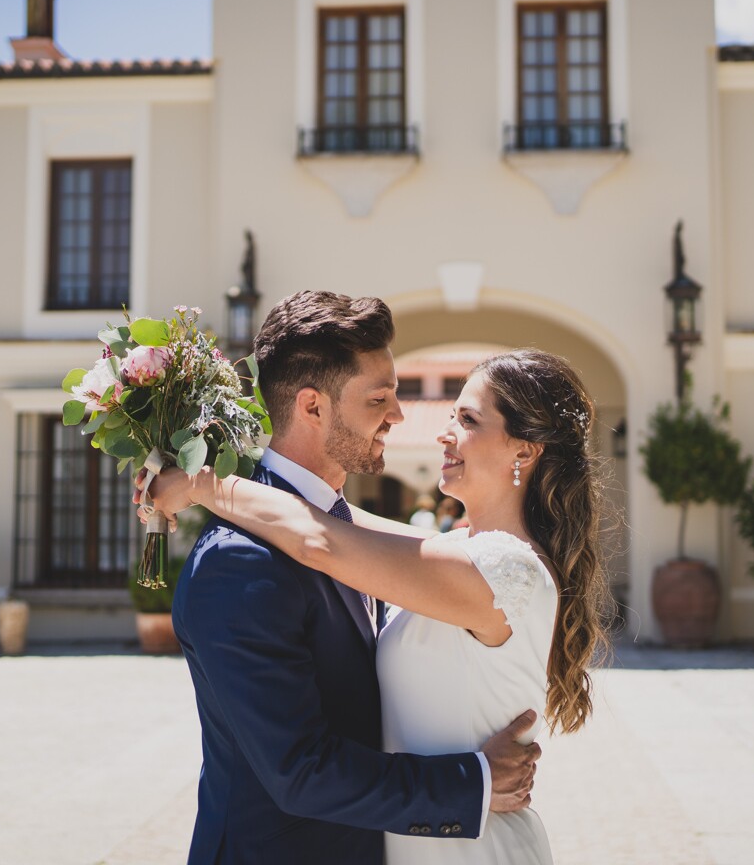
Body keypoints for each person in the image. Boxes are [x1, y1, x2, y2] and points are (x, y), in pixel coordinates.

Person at [149, 346, 610, 865]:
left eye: (468, 419)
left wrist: (199, 482)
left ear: (523, 451)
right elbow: (334, 519)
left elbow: (319, 539)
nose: (444, 431)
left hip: (471, 849)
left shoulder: (506, 571)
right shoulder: (456, 553)